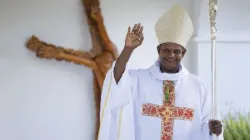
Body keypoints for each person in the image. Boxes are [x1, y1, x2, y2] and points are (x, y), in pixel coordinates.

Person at [98, 4, 224, 140]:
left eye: (177, 51)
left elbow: (208, 123)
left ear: (184, 53)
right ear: (159, 51)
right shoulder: (139, 79)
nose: (171, 55)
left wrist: (214, 129)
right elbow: (116, 80)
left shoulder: (197, 86)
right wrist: (128, 49)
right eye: (166, 50)